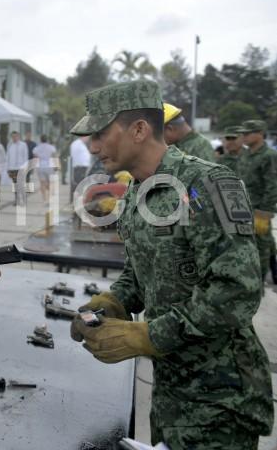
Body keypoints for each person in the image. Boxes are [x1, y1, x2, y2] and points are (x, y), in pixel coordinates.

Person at [69, 81, 273, 449]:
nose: (92, 146)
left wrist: (149, 335)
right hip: (170, 393)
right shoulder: (138, 189)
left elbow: (236, 292)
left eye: (100, 133)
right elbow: (142, 268)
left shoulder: (209, 184)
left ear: (139, 129)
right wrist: (117, 300)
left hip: (220, 400)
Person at [240, 119, 277, 282]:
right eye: (243, 133)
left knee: (261, 245)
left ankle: (260, 279)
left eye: (248, 133)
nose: (244, 136)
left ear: (260, 134)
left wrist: (264, 213)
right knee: (246, 244)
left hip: (259, 211)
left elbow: (272, 185)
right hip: (242, 207)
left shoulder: (269, 156)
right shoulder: (246, 154)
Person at [31, 134, 58, 202]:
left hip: (40, 167)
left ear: (40, 140)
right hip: (49, 167)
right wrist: (56, 165)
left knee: (42, 183)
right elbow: (54, 156)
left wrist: (34, 167)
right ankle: (49, 195)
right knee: (49, 183)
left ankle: (44, 198)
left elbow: (35, 158)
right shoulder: (51, 147)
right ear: (47, 140)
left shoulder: (36, 148)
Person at [6, 131, 29, 206]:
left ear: (18, 136)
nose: (14, 138)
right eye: (13, 136)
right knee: (15, 185)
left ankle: (23, 199)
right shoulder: (10, 145)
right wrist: (8, 168)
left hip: (20, 168)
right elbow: (8, 157)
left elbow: (25, 156)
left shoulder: (23, 145)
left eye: (15, 136)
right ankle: (16, 200)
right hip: (12, 168)